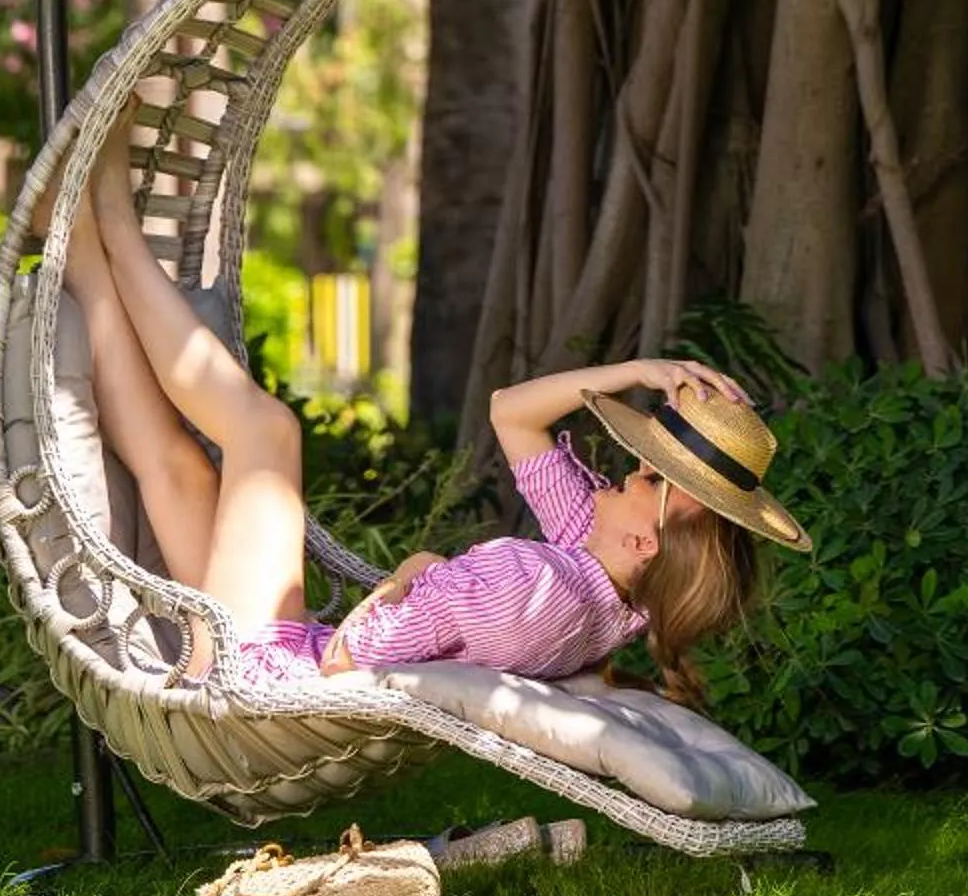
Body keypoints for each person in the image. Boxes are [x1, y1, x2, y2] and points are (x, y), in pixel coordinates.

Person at [59, 125, 811, 704]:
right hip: (280, 662)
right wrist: (635, 372)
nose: (627, 467)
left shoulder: (538, 587)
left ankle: (120, 229)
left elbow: (355, 653)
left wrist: (416, 572)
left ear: (644, 538)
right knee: (182, 470)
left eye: (647, 476)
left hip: (271, 680)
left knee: (268, 432)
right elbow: (511, 414)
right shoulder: (603, 587)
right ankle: (89, 252)